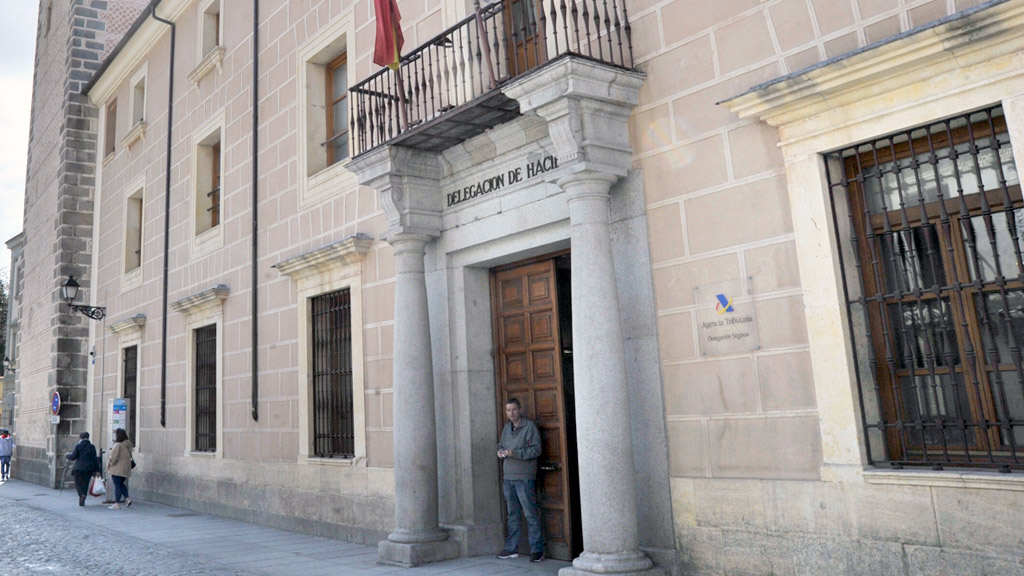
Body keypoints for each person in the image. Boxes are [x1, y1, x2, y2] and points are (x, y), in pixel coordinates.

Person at [496, 397, 543, 563]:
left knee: (530, 514)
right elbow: (501, 446)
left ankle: (537, 550)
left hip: (524, 477)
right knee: (512, 515)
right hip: (508, 477)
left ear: (520, 410)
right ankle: (511, 548)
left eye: (514, 410)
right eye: (508, 410)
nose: (511, 413)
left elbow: (536, 450)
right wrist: (501, 452)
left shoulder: (529, 427)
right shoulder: (506, 428)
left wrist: (514, 453)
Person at [65, 431, 100, 506]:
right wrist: (97, 470)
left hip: (79, 468)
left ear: (80, 437)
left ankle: (81, 495)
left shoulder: (78, 446)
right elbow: (95, 459)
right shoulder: (92, 447)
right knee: (85, 483)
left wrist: (67, 455)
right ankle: (84, 494)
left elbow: (73, 457)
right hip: (88, 469)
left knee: (78, 483)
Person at [106, 428, 134, 510]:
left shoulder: (118, 445)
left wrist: (110, 464)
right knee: (121, 484)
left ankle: (117, 503)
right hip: (126, 468)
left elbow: (114, 457)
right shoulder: (128, 444)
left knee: (117, 485)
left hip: (117, 468)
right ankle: (127, 498)